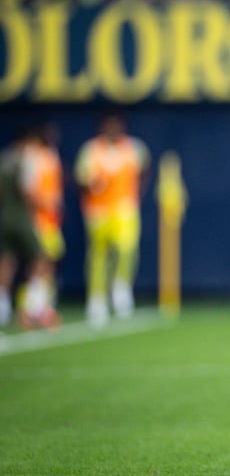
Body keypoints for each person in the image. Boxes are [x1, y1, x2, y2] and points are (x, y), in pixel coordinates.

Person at [74, 112, 150, 327]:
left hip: (124, 209)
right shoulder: (91, 150)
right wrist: (91, 184)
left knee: (126, 249)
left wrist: (137, 194)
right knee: (98, 255)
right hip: (98, 211)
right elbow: (80, 179)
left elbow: (145, 168)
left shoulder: (134, 147)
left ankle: (121, 288)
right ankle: (97, 298)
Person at [0, 127, 60, 330]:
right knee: (41, 258)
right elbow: (28, 191)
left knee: (6, 261)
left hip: (4, 216)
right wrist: (42, 206)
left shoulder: (4, 160)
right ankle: (32, 306)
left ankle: (3, 307)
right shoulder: (27, 161)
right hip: (23, 217)